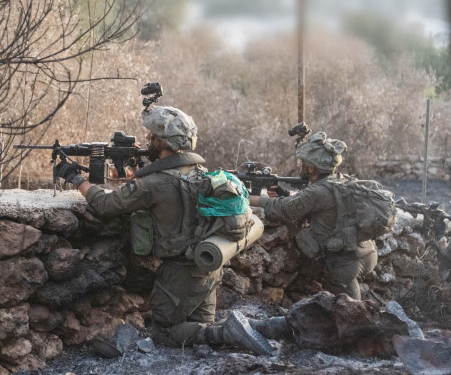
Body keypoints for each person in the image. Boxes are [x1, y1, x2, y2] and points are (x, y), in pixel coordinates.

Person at [54, 106, 274, 355]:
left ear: (165, 142)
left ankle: (230, 331)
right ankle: (267, 327)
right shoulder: (200, 173)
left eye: (153, 136)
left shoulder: (155, 183)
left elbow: (105, 205)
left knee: (165, 332)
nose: (148, 139)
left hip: (179, 272)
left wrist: (76, 178)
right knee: (201, 331)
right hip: (208, 267)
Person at [248, 131, 377, 300]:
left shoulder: (318, 191)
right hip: (364, 251)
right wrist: (285, 193)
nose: (299, 165)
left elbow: (282, 208)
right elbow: (308, 201)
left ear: (312, 167)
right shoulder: (338, 180)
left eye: (302, 162)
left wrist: (249, 198)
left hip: (344, 262)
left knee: (349, 311)